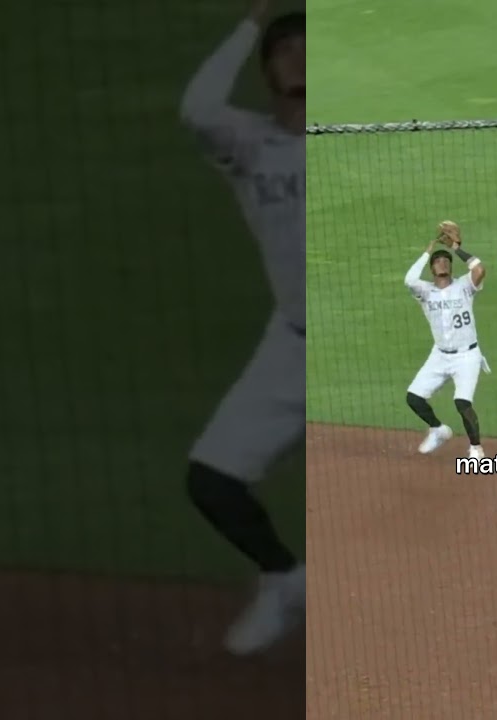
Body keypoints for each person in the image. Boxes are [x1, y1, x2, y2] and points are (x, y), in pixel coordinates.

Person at [177, 0, 305, 656]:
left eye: (309, 48)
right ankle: (284, 580)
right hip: (293, 345)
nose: (299, 56)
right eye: (284, 49)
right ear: (266, 71)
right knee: (212, 480)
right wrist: (252, 21)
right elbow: (197, 108)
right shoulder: (248, 144)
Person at [402, 222, 491, 459]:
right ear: (431, 268)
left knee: (462, 403)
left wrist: (456, 248)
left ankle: (476, 448)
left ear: (451, 266)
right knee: (413, 398)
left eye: (445, 260)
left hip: (467, 355)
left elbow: (480, 269)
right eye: (437, 261)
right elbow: (409, 280)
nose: (442, 262)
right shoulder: (425, 292)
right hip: (440, 355)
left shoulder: (464, 286)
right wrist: (427, 251)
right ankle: (438, 430)